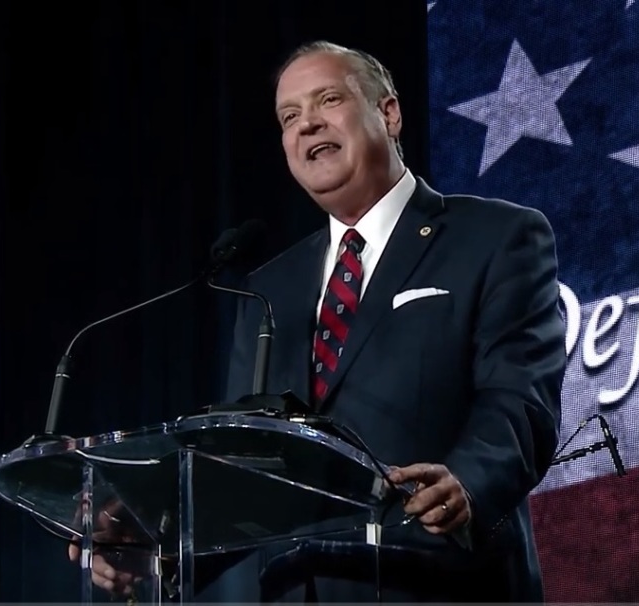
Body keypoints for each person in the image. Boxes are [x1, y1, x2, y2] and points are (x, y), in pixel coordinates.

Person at [75, 40, 566, 602]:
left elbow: (519, 399)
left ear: (389, 113)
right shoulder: (268, 289)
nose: (307, 125)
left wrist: (469, 484)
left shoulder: (495, 237)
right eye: (289, 117)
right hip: (299, 590)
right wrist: (155, 547)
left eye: (327, 100)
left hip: (437, 578)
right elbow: (246, 465)